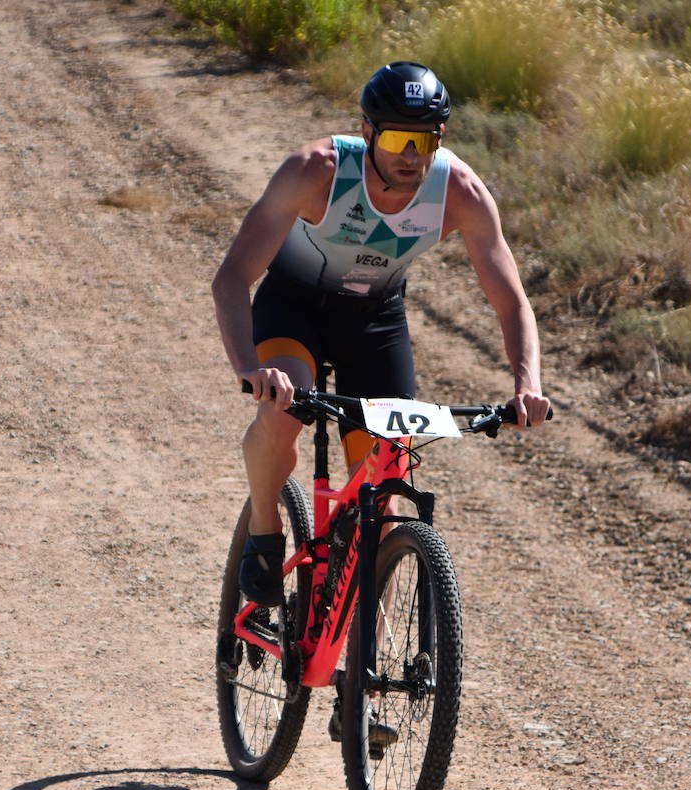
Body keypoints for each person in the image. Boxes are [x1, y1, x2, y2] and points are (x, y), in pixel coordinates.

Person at [213, 61, 551, 608]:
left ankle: (363, 668)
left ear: (440, 137)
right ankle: (263, 528)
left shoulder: (459, 190)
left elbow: (511, 301)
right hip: (294, 307)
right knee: (282, 411)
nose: (411, 156)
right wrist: (250, 369)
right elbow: (231, 278)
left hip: (374, 321)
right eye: (397, 138)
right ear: (367, 131)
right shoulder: (315, 170)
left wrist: (526, 383)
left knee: (384, 490)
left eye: (424, 140)